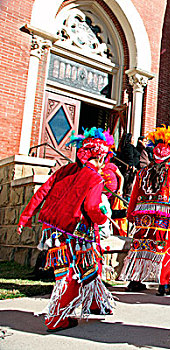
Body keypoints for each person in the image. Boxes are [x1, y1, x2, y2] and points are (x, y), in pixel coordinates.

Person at [18, 127, 115, 332]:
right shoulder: (95, 178)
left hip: (53, 231)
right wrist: (103, 216)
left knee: (84, 269)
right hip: (76, 233)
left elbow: (42, 192)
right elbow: (91, 207)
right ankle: (56, 318)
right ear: (102, 156)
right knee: (73, 276)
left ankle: (97, 304)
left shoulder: (64, 170)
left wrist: (25, 217)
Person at [119, 125, 170, 296]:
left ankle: (135, 280)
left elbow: (135, 194)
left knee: (141, 244)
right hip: (165, 214)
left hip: (143, 215)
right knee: (164, 246)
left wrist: (130, 214)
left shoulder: (142, 172)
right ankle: (164, 284)